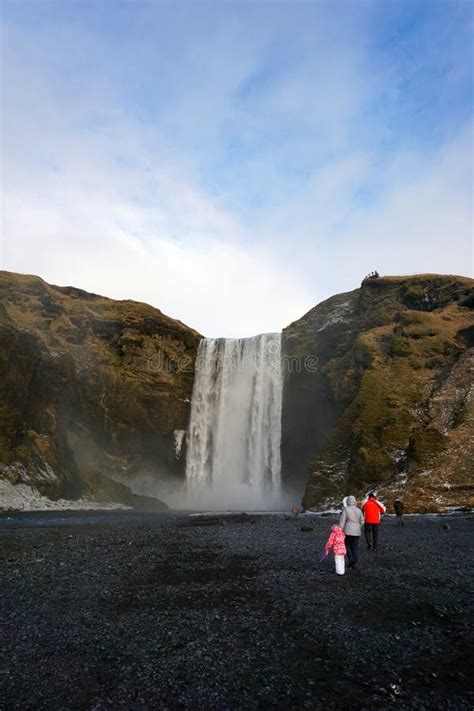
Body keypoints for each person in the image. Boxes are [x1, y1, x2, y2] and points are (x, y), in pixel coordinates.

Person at [339, 495, 364, 568]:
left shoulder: (346, 509)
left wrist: (340, 530)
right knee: (354, 547)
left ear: (347, 501)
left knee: (347, 545)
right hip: (357, 532)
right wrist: (358, 527)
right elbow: (362, 521)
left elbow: (342, 521)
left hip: (347, 531)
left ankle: (351, 559)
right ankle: (355, 560)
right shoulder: (358, 510)